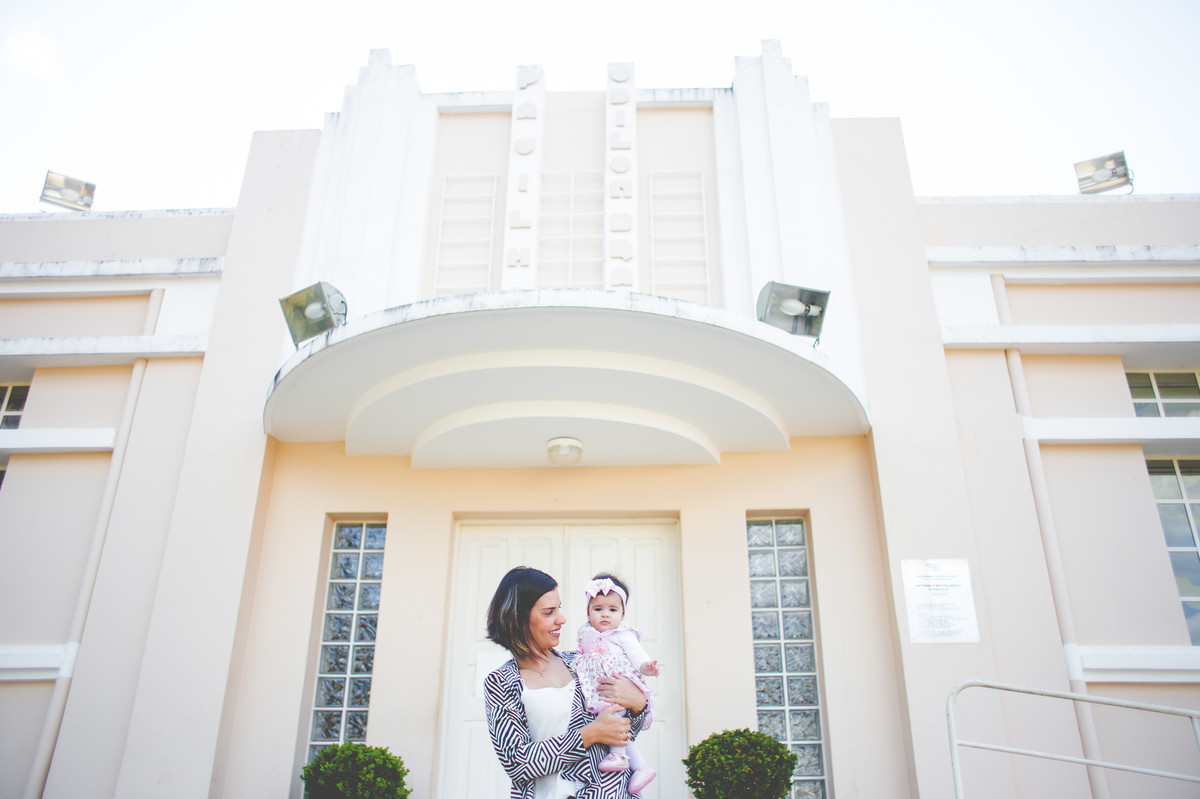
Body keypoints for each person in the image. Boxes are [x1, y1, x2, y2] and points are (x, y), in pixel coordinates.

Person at [484, 566, 650, 799]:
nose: (561, 619)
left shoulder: (583, 662)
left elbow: (624, 732)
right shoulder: (501, 682)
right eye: (549, 612)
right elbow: (517, 762)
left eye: (559, 609)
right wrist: (589, 734)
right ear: (519, 618)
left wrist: (638, 705)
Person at [574, 574, 658, 795]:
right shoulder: (585, 632)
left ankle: (620, 756)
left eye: (612, 610)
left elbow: (637, 655)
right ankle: (640, 766)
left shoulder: (623, 635)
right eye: (598, 609)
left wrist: (646, 667)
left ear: (622, 614)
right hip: (597, 686)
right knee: (610, 721)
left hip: (618, 682)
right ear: (587, 611)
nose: (605, 615)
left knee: (616, 717)